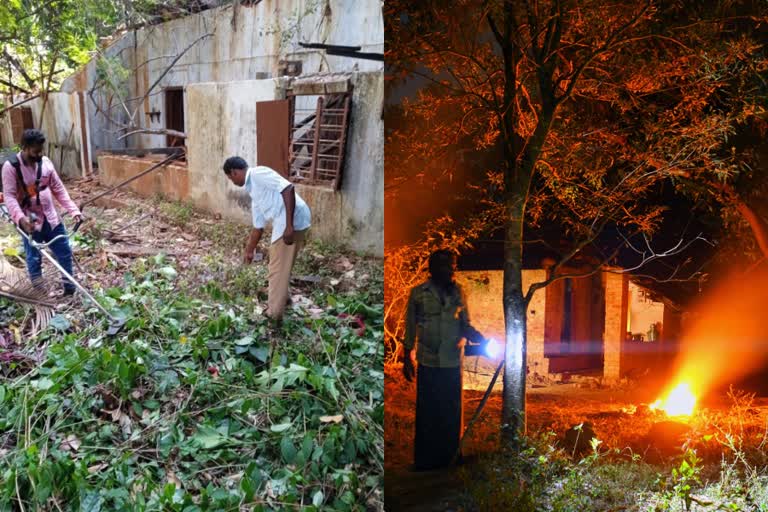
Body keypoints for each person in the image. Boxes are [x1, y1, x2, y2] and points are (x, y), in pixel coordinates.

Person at [402, 249, 488, 471]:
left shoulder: (458, 293)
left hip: (451, 360)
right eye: (443, 265)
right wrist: (407, 356)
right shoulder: (419, 293)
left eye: (452, 265)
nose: (449, 269)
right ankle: (425, 460)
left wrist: (478, 337)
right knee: (428, 412)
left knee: (451, 411)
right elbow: (410, 325)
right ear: (432, 268)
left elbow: (465, 324)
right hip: (428, 360)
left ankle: (451, 457)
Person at [222, 156, 311, 323]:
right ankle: (285, 300)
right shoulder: (253, 190)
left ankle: (274, 315)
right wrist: (249, 250)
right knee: (280, 264)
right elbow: (258, 227)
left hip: (291, 220)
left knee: (276, 269)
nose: (231, 181)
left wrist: (289, 226)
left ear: (234, 172)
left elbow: (288, 188)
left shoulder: (257, 174)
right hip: (287, 221)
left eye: (230, 177)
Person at [1, 129, 83, 295]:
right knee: (34, 257)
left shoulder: (45, 163)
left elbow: (58, 189)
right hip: (29, 218)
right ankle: (40, 294)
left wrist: (73, 210)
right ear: (24, 147)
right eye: (35, 151)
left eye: (41, 150)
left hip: (50, 216)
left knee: (64, 252)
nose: (39, 155)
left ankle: (69, 289)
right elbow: (9, 197)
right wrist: (21, 219)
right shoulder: (11, 168)